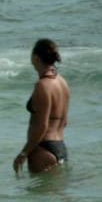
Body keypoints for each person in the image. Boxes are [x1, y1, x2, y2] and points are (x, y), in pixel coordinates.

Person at [14, 38, 70, 174]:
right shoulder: (62, 82)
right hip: (60, 147)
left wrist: (23, 153)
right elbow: (65, 122)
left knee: (37, 193)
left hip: (44, 148)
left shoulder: (43, 85)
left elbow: (42, 126)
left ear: (35, 57)